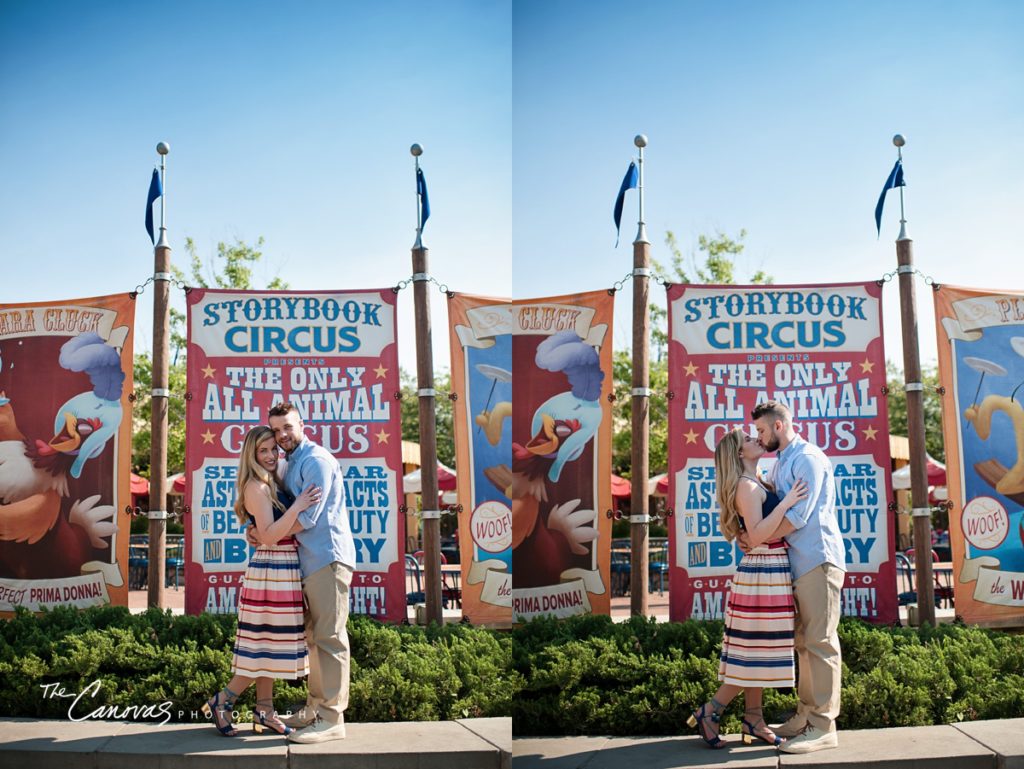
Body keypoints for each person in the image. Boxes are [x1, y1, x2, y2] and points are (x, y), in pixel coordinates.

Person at [688, 427, 807, 749]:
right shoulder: (746, 487)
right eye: (749, 441)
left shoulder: (756, 482)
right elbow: (755, 536)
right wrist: (787, 505)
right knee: (755, 651)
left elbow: (751, 536)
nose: (757, 440)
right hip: (763, 570)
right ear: (740, 454)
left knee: (759, 649)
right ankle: (711, 710)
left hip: (769, 568)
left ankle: (753, 719)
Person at [204, 425, 320, 737]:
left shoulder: (274, 479)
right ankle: (223, 700)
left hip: (284, 567)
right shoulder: (255, 486)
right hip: (270, 569)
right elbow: (268, 535)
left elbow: (267, 530)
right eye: (263, 451)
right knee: (262, 647)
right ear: (252, 455)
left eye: (273, 449)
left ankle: (264, 711)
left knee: (269, 645)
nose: (271, 455)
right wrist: (298, 507)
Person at [752, 400, 846, 754]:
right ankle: (805, 716)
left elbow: (796, 517)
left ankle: (824, 726)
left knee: (820, 641)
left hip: (817, 560)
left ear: (778, 426)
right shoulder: (782, 462)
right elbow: (772, 501)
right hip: (799, 562)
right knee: (804, 643)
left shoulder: (807, 458)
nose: (759, 438)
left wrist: (757, 536)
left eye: (762, 430)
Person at [265, 402, 356, 744]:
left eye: (287, 427)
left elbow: (307, 519)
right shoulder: (293, 462)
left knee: (330, 638)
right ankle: (314, 709)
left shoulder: (315, 460)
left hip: (327, 559)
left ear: (303, 424)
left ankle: (333, 718)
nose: (282, 435)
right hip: (310, 561)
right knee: (315, 640)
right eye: (276, 430)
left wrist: (266, 532)